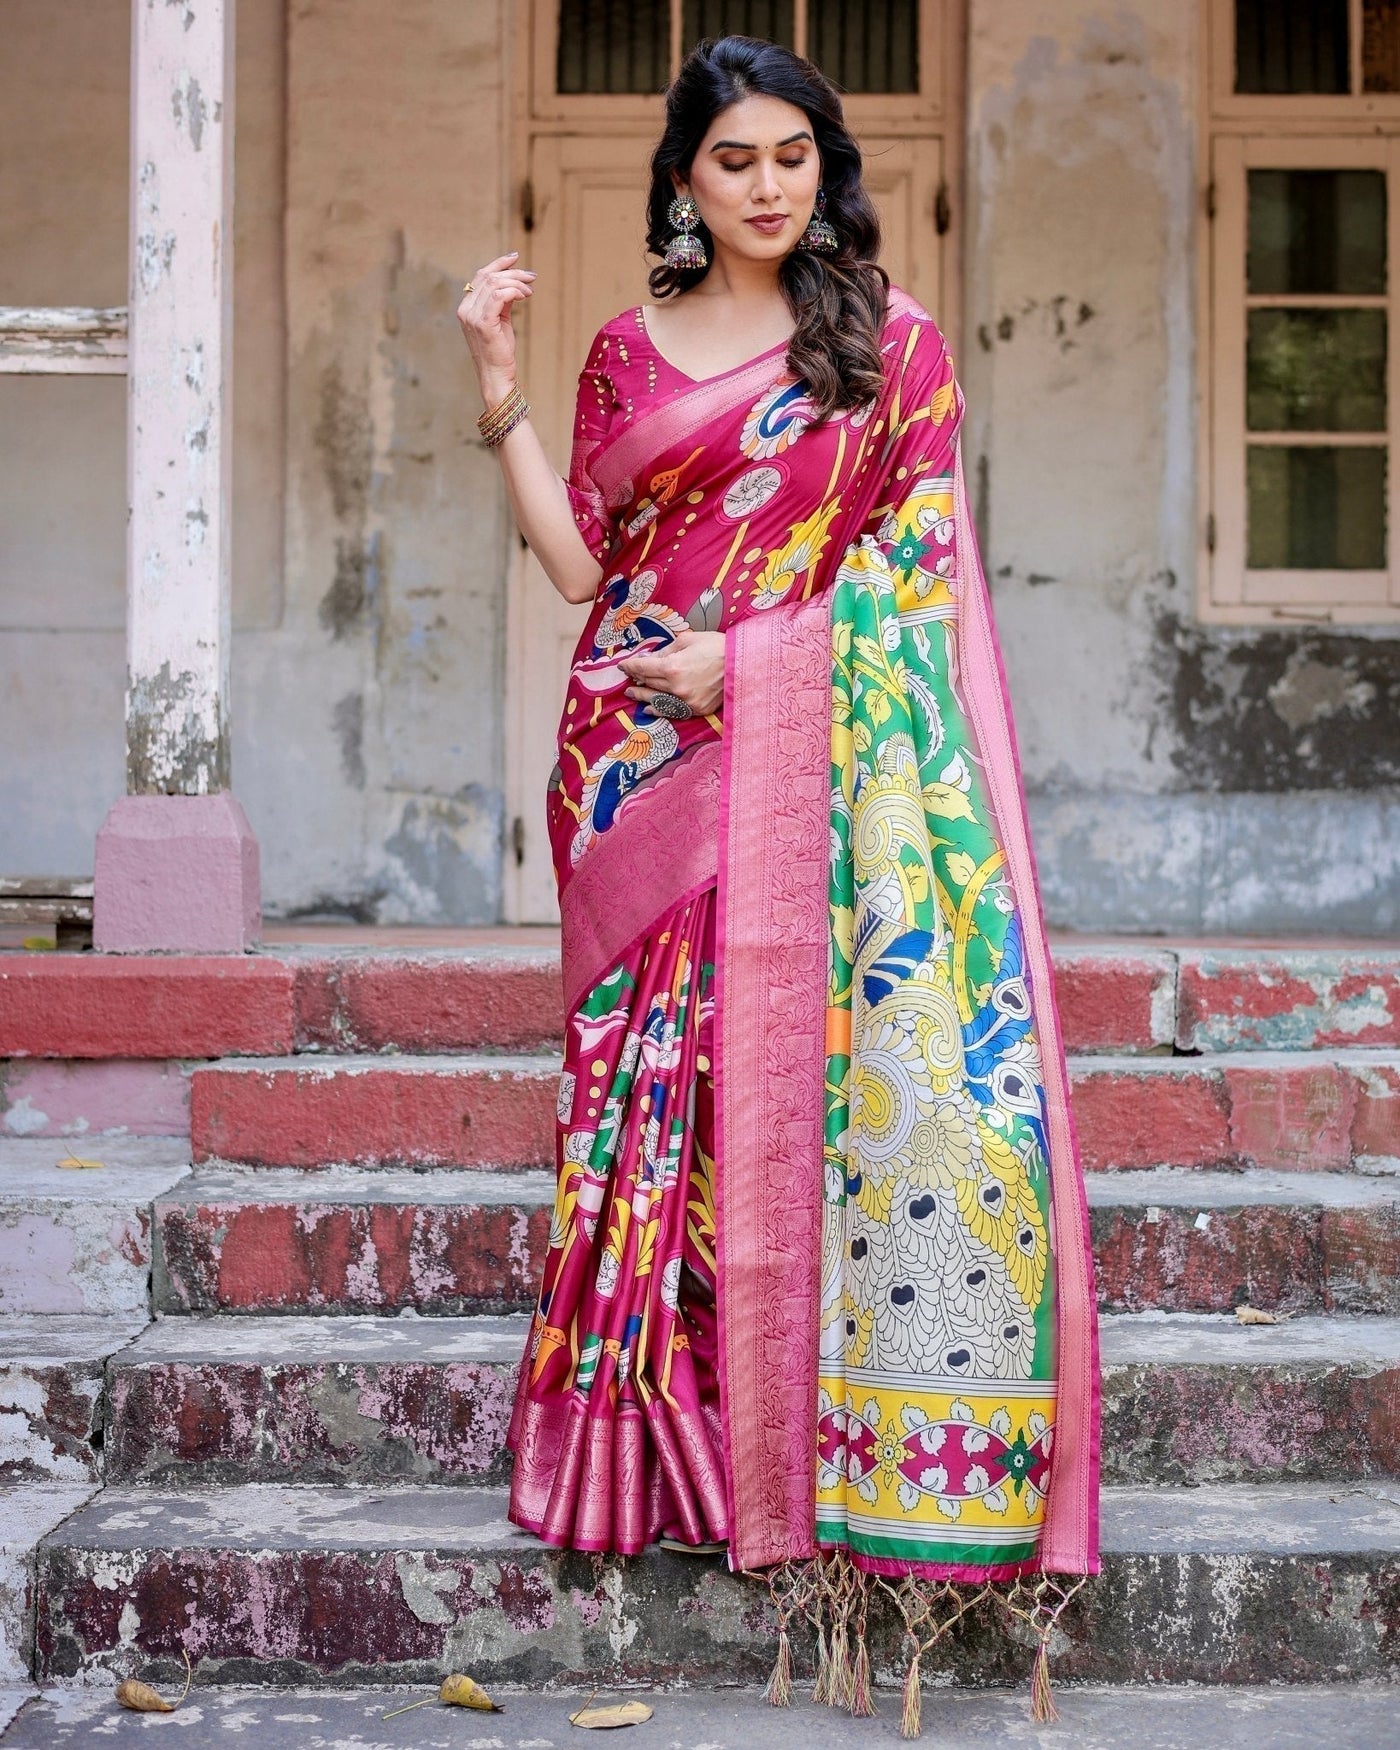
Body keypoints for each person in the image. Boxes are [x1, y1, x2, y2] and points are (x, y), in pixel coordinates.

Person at [456, 33, 1099, 1734]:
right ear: (685, 178)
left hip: (800, 747)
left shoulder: (888, 350)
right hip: (623, 761)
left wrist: (749, 668)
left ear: (826, 169)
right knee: (636, 1108)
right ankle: (648, 1447)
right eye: (732, 159)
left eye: (792, 156)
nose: (763, 184)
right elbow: (587, 569)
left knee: (781, 1095)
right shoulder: (618, 349)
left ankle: (791, 1441)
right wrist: (499, 385)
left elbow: (924, 589)